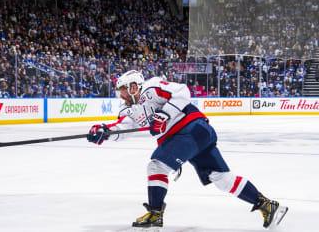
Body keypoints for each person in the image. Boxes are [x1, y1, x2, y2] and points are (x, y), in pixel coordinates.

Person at [87, 70, 288, 230]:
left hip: (189, 129)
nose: (120, 94)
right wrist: (105, 131)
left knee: (156, 166)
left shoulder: (152, 87)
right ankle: (267, 205)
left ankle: (155, 214)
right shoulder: (129, 109)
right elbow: (123, 127)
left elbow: (182, 92)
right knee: (222, 179)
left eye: (122, 89)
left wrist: (164, 114)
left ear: (133, 86)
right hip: (196, 136)